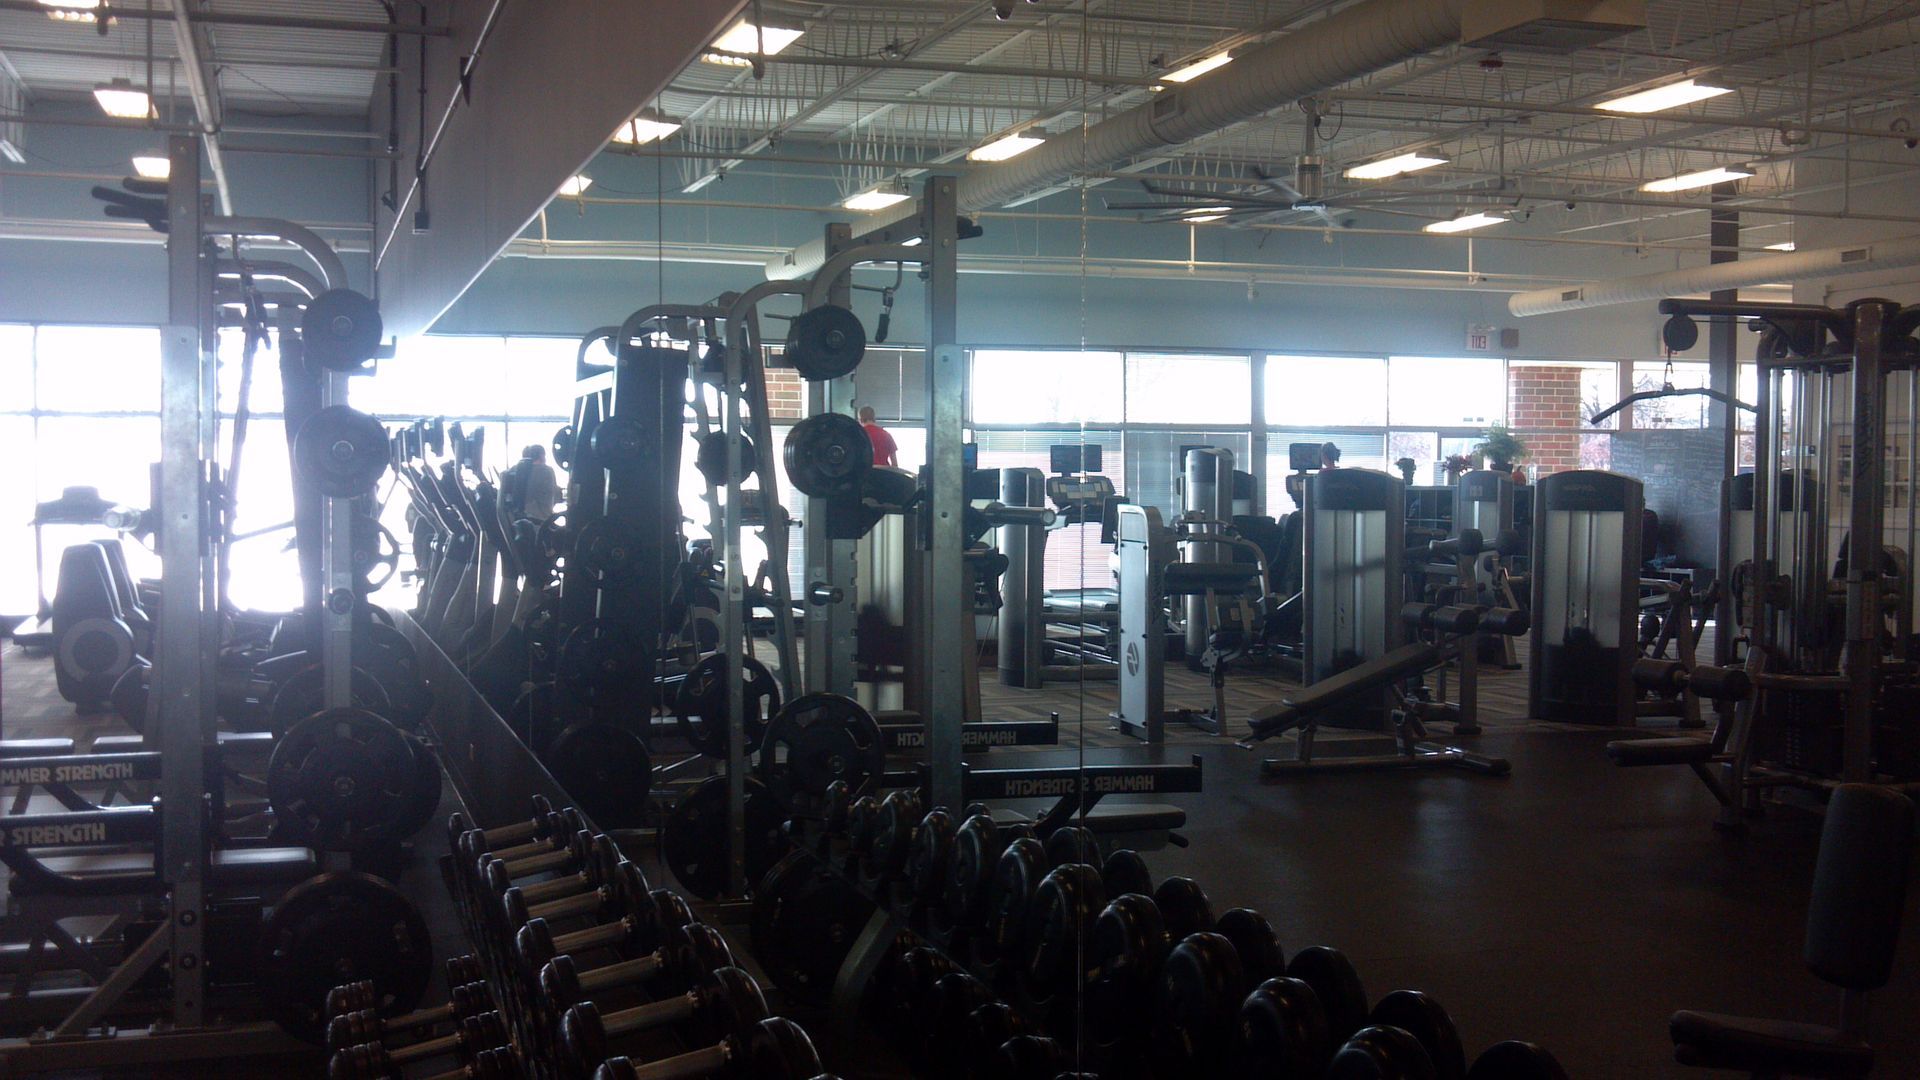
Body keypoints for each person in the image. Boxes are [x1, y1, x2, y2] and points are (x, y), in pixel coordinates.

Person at [502, 444, 558, 523]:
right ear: (541, 456)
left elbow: (503, 475)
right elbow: (555, 495)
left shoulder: (515, 470)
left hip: (516, 519)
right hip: (541, 519)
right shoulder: (547, 471)